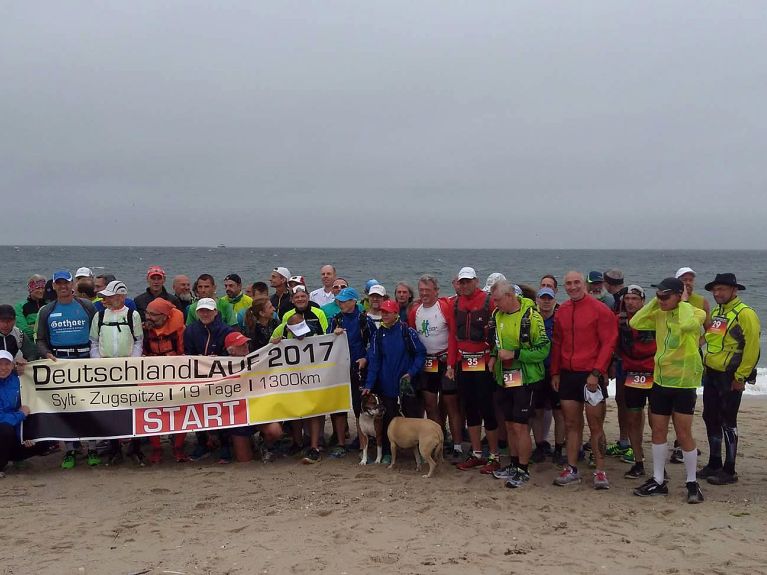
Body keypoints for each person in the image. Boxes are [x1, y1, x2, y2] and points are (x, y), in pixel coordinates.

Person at [630, 277, 706, 503]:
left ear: (678, 295)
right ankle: (658, 479)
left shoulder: (694, 311)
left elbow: (688, 326)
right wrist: (655, 303)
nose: (661, 300)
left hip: (684, 384)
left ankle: (692, 482)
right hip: (661, 382)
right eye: (658, 296)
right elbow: (635, 322)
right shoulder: (659, 313)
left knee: (683, 434)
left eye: (665, 296)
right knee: (658, 431)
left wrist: (682, 303)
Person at [551, 271, 617, 489]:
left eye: (576, 282)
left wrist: (597, 372)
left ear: (585, 285)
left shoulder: (600, 310)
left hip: (591, 375)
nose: (572, 287)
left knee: (595, 425)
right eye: (568, 283)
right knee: (571, 424)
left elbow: (608, 343)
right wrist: (555, 372)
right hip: (568, 374)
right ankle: (572, 468)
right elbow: (558, 344)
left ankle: (600, 470)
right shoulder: (563, 311)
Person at [700, 273, 761, 486]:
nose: (717, 293)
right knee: (710, 417)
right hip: (711, 373)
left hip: (731, 376)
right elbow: (709, 340)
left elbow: (753, 348)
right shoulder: (716, 312)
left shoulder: (745, 314)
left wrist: (741, 376)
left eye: (722, 289)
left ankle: (730, 468)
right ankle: (714, 462)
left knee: (728, 421)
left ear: (734, 290)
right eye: (715, 290)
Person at [488, 281, 550, 489]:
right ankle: (514, 464)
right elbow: (498, 343)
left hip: (527, 379)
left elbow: (543, 350)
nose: (494, 304)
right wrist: (494, 356)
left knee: (520, 425)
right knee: (509, 424)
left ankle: (523, 469)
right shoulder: (498, 315)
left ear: (509, 296)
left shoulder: (531, 317)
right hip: (504, 377)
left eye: (497, 300)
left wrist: (515, 354)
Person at [35, 269, 99, 469]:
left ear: (73, 285)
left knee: (89, 406)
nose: (63, 287)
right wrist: (46, 354)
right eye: (59, 283)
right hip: (61, 364)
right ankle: (70, 450)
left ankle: (93, 448)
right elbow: (40, 339)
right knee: (66, 408)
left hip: (85, 361)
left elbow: (99, 331)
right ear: (53, 286)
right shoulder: (46, 310)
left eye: (66, 283)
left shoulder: (86, 306)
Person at [450, 266, 502, 474]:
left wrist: (494, 358)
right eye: (461, 282)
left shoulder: (489, 301)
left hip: (484, 362)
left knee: (487, 409)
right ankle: (477, 453)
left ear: (476, 281)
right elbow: (454, 336)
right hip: (464, 364)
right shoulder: (455, 304)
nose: (464, 285)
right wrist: (451, 365)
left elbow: (499, 332)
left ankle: (494, 455)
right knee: (470, 409)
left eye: (468, 281)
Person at [363, 299, 426, 465]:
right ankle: (387, 452)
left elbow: (420, 354)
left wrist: (411, 373)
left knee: (412, 416)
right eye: (382, 312)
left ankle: (419, 450)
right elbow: (374, 361)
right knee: (387, 419)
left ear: (396, 313)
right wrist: (369, 385)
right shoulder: (377, 335)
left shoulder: (407, 331)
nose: (384, 315)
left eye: (388, 312)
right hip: (386, 384)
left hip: (406, 383)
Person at [90, 281, 145, 465]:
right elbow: (94, 342)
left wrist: (133, 362)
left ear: (121, 297)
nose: (105, 299)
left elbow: (138, 341)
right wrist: (98, 362)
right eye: (104, 296)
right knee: (111, 408)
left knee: (133, 406)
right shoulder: (99, 316)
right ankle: (114, 448)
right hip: (106, 370)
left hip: (129, 370)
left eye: (109, 296)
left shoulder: (132, 315)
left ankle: (135, 446)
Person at [407, 275, 462, 458]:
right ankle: (438, 439)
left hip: (446, 361)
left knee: (450, 404)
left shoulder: (444, 307)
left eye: (428, 290)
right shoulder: (415, 311)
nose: (424, 293)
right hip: (427, 363)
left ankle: (457, 446)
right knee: (430, 405)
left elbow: (454, 335)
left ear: (436, 291)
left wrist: (452, 363)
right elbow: (412, 338)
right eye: (421, 290)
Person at [184, 298, 234, 461]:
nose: (205, 314)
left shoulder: (225, 330)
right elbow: (187, 352)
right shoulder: (190, 330)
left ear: (215, 312)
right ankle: (202, 443)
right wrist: (199, 358)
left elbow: (229, 354)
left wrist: (218, 357)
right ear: (197, 313)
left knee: (222, 410)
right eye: (201, 311)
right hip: (197, 376)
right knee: (198, 408)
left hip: (220, 378)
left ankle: (225, 445)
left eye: (208, 310)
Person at [272, 312, 326, 463]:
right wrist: (273, 344)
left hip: (310, 375)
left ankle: (314, 447)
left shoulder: (313, 329)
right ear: (289, 330)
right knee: (294, 411)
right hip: (290, 377)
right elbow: (268, 352)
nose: (301, 335)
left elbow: (326, 345)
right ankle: (298, 442)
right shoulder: (280, 330)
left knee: (313, 410)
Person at [329, 287, 376, 458]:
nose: (340, 303)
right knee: (339, 405)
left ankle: (363, 446)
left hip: (359, 369)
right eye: (339, 301)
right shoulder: (336, 319)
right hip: (340, 368)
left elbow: (374, 344)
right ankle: (341, 444)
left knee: (359, 407)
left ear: (353, 301)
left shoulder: (364, 320)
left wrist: (366, 359)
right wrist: (333, 334)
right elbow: (326, 342)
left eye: (344, 301)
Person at [616, 285, 657, 479]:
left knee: (656, 421)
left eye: (635, 298)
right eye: (628, 298)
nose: (631, 302)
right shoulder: (619, 321)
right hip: (632, 374)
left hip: (655, 374)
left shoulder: (654, 318)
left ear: (643, 301)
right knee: (632, 419)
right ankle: (638, 461)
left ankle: (659, 466)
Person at [223, 331, 283, 463]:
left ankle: (264, 443)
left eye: (246, 344)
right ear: (231, 351)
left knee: (275, 431)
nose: (246, 347)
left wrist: (274, 346)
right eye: (241, 345)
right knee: (244, 460)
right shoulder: (220, 367)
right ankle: (243, 441)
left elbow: (270, 357)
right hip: (237, 415)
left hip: (257, 410)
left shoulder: (256, 359)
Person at [142, 297, 188, 463]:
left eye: (153, 314)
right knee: (152, 412)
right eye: (147, 313)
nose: (148, 317)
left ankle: (178, 447)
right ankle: (156, 448)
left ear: (165, 316)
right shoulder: (144, 332)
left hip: (175, 377)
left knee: (180, 411)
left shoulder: (180, 331)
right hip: (152, 378)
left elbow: (185, 354)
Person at [530, 286, 565, 465]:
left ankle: (559, 448)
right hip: (536, 372)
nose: (545, 301)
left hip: (555, 372)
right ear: (537, 299)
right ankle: (540, 445)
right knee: (536, 412)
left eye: (549, 298)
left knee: (559, 412)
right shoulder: (531, 319)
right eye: (543, 298)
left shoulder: (559, 319)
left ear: (554, 300)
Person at [0, 350, 48, 478]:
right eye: (0, 364)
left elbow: (31, 403)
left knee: (44, 442)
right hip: (4, 428)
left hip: (13, 429)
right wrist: (21, 414)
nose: (3, 368)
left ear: (12, 365)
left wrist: (26, 435)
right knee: (4, 429)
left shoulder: (18, 380)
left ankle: (14, 457)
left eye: (7, 364)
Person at [14, 275, 47, 345]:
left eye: (43, 288)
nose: (41, 291)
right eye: (37, 288)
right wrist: (45, 331)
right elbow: (24, 330)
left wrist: (33, 326)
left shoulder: (49, 304)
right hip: (31, 346)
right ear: (30, 289)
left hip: (49, 345)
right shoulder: (20, 306)